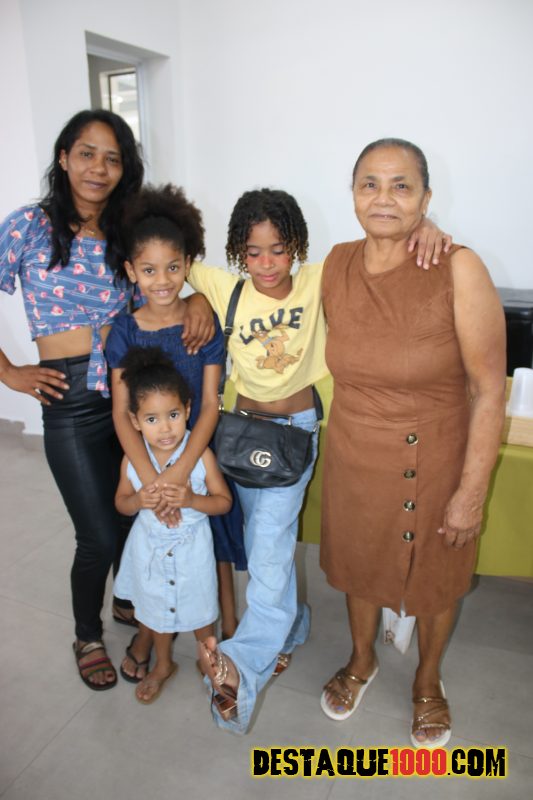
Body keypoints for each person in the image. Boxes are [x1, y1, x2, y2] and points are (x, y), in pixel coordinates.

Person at [192, 188, 449, 734]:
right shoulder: (224, 287)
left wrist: (424, 228)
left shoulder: (320, 277)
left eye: (278, 249)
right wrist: (195, 299)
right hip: (241, 435)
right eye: (253, 252)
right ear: (238, 252)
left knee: (268, 546)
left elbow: (381, 254)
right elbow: (172, 263)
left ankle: (241, 667)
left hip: (294, 434)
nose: (267, 263)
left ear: (297, 247)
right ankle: (294, 624)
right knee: (267, 543)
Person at [0, 110, 210, 690]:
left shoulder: (127, 227)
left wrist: (196, 299)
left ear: (126, 169)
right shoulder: (30, 226)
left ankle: (128, 596)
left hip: (130, 391)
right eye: (87, 153)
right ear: (64, 158)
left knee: (130, 510)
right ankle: (86, 633)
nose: (99, 167)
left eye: (113, 158)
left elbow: (163, 277)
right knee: (95, 532)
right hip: (67, 396)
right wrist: (9, 372)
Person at [319, 138, 506, 748]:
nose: (384, 198)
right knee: (358, 563)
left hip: (435, 453)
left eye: (402, 186)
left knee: (436, 573)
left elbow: (488, 390)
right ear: (352, 194)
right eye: (369, 184)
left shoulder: (458, 267)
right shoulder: (335, 264)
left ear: (426, 198)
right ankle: (361, 659)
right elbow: (266, 291)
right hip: (354, 451)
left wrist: (471, 493)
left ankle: (428, 678)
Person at [105, 184, 246, 683]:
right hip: (145, 465)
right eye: (148, 270)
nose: (162, 280)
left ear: (187, 263)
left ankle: (218, 635)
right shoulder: (124, 330)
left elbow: (209, 403)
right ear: (131, 272)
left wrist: (181, 472)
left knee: (207, 549)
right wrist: (153, 482)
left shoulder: (202, 324)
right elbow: (121, 413)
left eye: (172, 267)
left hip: (197, 455)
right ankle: (151, 636)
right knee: (152, 553)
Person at [113, 346, 232, 703]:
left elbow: (223, 502)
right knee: (154, 611)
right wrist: (138, 501)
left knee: (201, 610)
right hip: (149, 551)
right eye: (152, 419)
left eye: (173, 415)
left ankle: (208, 661)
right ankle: (163, 664)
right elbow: (121, 503)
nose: (165, 428)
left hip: (193, 552)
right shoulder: (133, 460)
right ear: (135, 421)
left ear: (188, 410)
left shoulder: (200, 456)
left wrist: (193, 500)